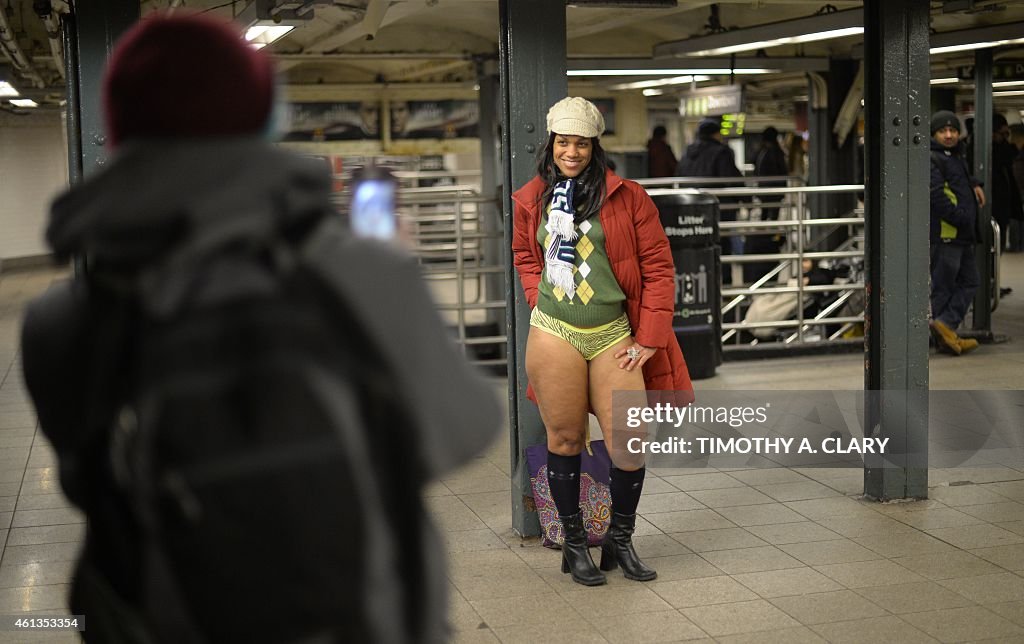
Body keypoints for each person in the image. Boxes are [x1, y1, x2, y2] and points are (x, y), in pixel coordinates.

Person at [19, 13, 499, 643]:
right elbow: (465, 432)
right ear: (259, 116)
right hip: (361, 622)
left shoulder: (61, 325)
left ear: (119, 129)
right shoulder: (359, 275)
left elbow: (96, 490)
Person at [512, 97, 693, 587]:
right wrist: (536, 297)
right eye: (564, 142)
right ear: (551, 145)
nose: (572, 152)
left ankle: (620, 538)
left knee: (629, 443)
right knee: (565, 439)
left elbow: (658, 267)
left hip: (614, 332)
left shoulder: (628, 197)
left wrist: (651, 338)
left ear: (595, 146)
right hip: (555, 331)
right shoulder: (533, 199)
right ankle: (574, 547)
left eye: (582, 143)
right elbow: (524, 256)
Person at [929, 110, 982, 356]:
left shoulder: (956, 157)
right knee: (944, 287)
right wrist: (961, 216)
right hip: (947, 233)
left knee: (970, 281)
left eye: (953, 130)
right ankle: (945, 335)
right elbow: (936, 196)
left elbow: (958, 182)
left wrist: (974, 182)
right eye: (943, 131)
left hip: (962, 233)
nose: (949, 135)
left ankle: (946, 328)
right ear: (934, 134)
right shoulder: (932, 158)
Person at [746, 126, 789, 283]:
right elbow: (782, 172)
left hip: (769, 193)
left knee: (768, 217)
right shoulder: (774, 152)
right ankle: (769, 239)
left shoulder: (766, 152)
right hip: (772, 193)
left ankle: (769, 240)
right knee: (770, 217)